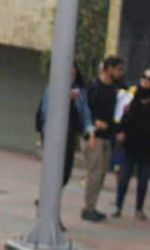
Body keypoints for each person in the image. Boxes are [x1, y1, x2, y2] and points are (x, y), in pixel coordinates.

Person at [36, 64, 96, 230]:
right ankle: (50, 213)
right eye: (68, 72)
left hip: (69, 136)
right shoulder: (53, 89)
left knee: (64, 174)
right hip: (54, 135)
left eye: (74, 73)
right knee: (53, 174)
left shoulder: (79, 92)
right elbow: (46, 111)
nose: (71, 75)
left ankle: (45, 204)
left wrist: (90, 131)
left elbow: (85, 114)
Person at [83, 56, 126, 222]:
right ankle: (88, 207)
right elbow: (84, 110)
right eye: (118, 69)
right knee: (94, 173)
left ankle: (93, 205)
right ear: (109, 68)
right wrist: (94, 123)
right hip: (94, 136)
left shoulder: (117, 89)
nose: (120, 73)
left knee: (101, 174)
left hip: (108, 137)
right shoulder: (93, 87)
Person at [113, 68, 150, 220]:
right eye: (145, 78)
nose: (146, 81)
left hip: (147, 146)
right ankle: (118, 206)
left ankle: (139, 209)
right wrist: (120, 130)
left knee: (143, 179)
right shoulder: (133, 95)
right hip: (130, 144)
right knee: (124, 177)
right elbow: (124, 115)